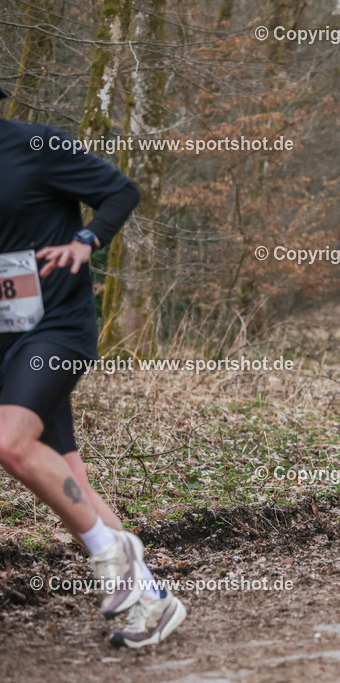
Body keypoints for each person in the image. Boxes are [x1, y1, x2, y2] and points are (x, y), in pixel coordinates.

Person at [0, 89, 186, 647]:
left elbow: (120, 190)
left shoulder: (34, 145)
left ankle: (114, 554)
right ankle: (152, 603)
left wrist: (87, 238)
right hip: (4, 334)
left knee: (10, 444)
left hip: (55, 328)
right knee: (65, 476)